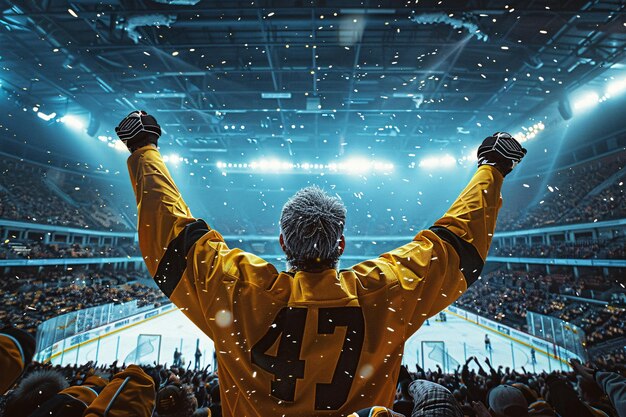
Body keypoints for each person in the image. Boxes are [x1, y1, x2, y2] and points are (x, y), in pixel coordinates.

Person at [115, 111, 526, 416]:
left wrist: (144, 149)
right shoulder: (384, 291)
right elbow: (455, 245)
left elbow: (170, 233)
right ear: (342, 243)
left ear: (281, 242)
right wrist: (492, 169)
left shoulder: (238, 289)